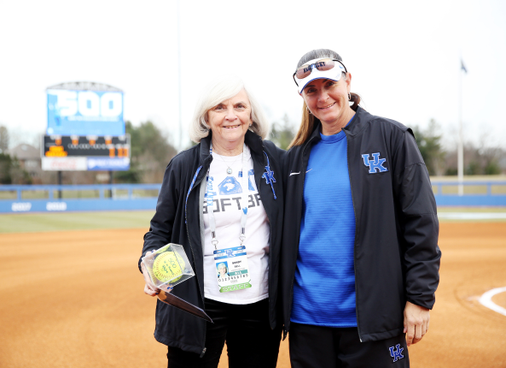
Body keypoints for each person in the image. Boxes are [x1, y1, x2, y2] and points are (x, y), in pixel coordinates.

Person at [280, 49, 441, 368]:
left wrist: (419, 298)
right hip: (308, 322)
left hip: (374, 319)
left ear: (348, 80)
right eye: (311, 90)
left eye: (329, 85)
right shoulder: (294, 157)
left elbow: (420, 222)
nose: (322, 97)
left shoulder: (391, 137)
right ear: (303, 96)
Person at [139, 75, 284, 368]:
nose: (231, 115)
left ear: (250, 114)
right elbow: (160, 229)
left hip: (259, 302)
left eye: (239, 106)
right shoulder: (184, 165)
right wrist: (148, 259)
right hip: (199, 301)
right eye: (219, 107)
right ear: (206, 116)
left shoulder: (274, 161)